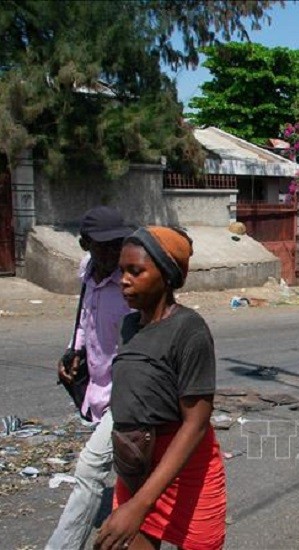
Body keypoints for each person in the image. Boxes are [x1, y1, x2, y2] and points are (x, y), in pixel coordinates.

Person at [95, 227, 226, 550]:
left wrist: (140, 505)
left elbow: (195, 424)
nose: (124, 279)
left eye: (135, 271)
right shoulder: (129, 326)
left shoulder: (189, 330)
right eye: (122, 271)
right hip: (137, 466)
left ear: (166, 275)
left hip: (186, 472)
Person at [48, 206, 133, 550]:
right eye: (104, 246)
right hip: (99, 385)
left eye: (118, 244)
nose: (114, 253)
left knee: (88, 470)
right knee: (133, 466)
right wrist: (74, 350)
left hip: (128, 392)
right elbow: (85, 317)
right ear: (85, 245)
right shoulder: (87, 272)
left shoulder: (132, 281)